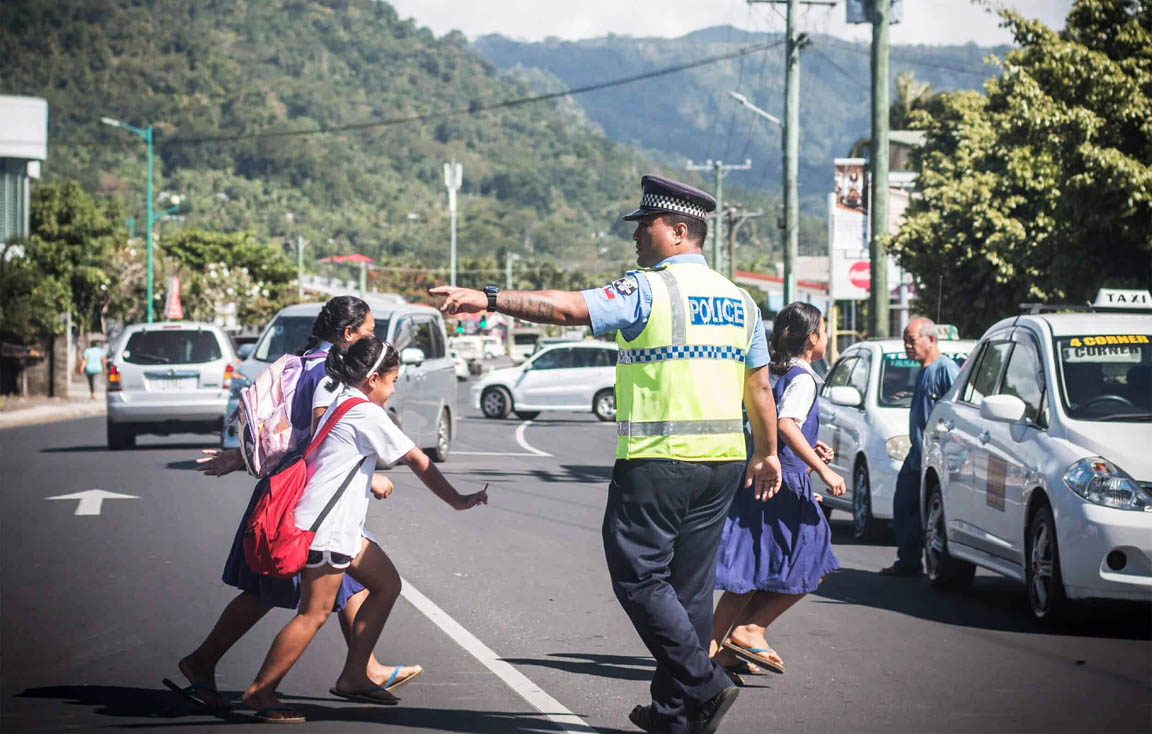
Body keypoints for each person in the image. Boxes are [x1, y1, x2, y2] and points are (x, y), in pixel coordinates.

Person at [430, 174, 782, 734]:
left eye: (646, 226)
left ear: (679, 230)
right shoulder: (741, 301)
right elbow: (758, 387)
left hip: (659, 459)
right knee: (688, 590)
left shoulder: (649, 288)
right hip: (722, 462)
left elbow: (568, 309)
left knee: (638, 577)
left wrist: (490, 299)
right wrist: (768, 453)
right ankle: (675, 716)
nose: (637, 237)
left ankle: (704, 682)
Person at [176, 297, 418, 711]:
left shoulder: (300, 362)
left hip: (295, 492)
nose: (374, 339)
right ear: (348, 334)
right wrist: (367, 471)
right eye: (369, 331)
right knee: (273, 589)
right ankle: (209, 664)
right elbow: (316, 436)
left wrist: (242, 460)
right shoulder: (327, 374)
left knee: (341, 580)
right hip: (304, 498)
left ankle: (361, 669)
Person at [241, 335, 489, 723]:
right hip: (327, 528)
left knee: (387, 584)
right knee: (314, 613)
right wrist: (458, 500)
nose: (393, 390)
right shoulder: (366, 413)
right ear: (373, 379)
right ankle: (261, 691)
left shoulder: (342, 399)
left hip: (337, 526)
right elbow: (418, 460)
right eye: (393, 381)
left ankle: (355, 674)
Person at [711, 303, 845, 681]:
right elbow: (786, 423)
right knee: (817, 560)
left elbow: (774, 423)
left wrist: (810, 447)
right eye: (825, 330)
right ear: (813, 338)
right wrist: (822, 469)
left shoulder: (771, 372)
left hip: (761, 473)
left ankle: (716, 652)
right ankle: (749, 630)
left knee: (749, 570)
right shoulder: (803, 377)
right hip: (783, 483)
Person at [881, 316, 960, 576]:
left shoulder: (944, 368)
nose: (907, 346)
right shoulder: (924, 370)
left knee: (929, 512)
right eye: (905, 340)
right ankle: (909, 560)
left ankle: (934, 563)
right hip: (918, 453)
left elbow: (956, 413)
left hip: (936, 456)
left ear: (932, 339)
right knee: (905, 505)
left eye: (911, 340)